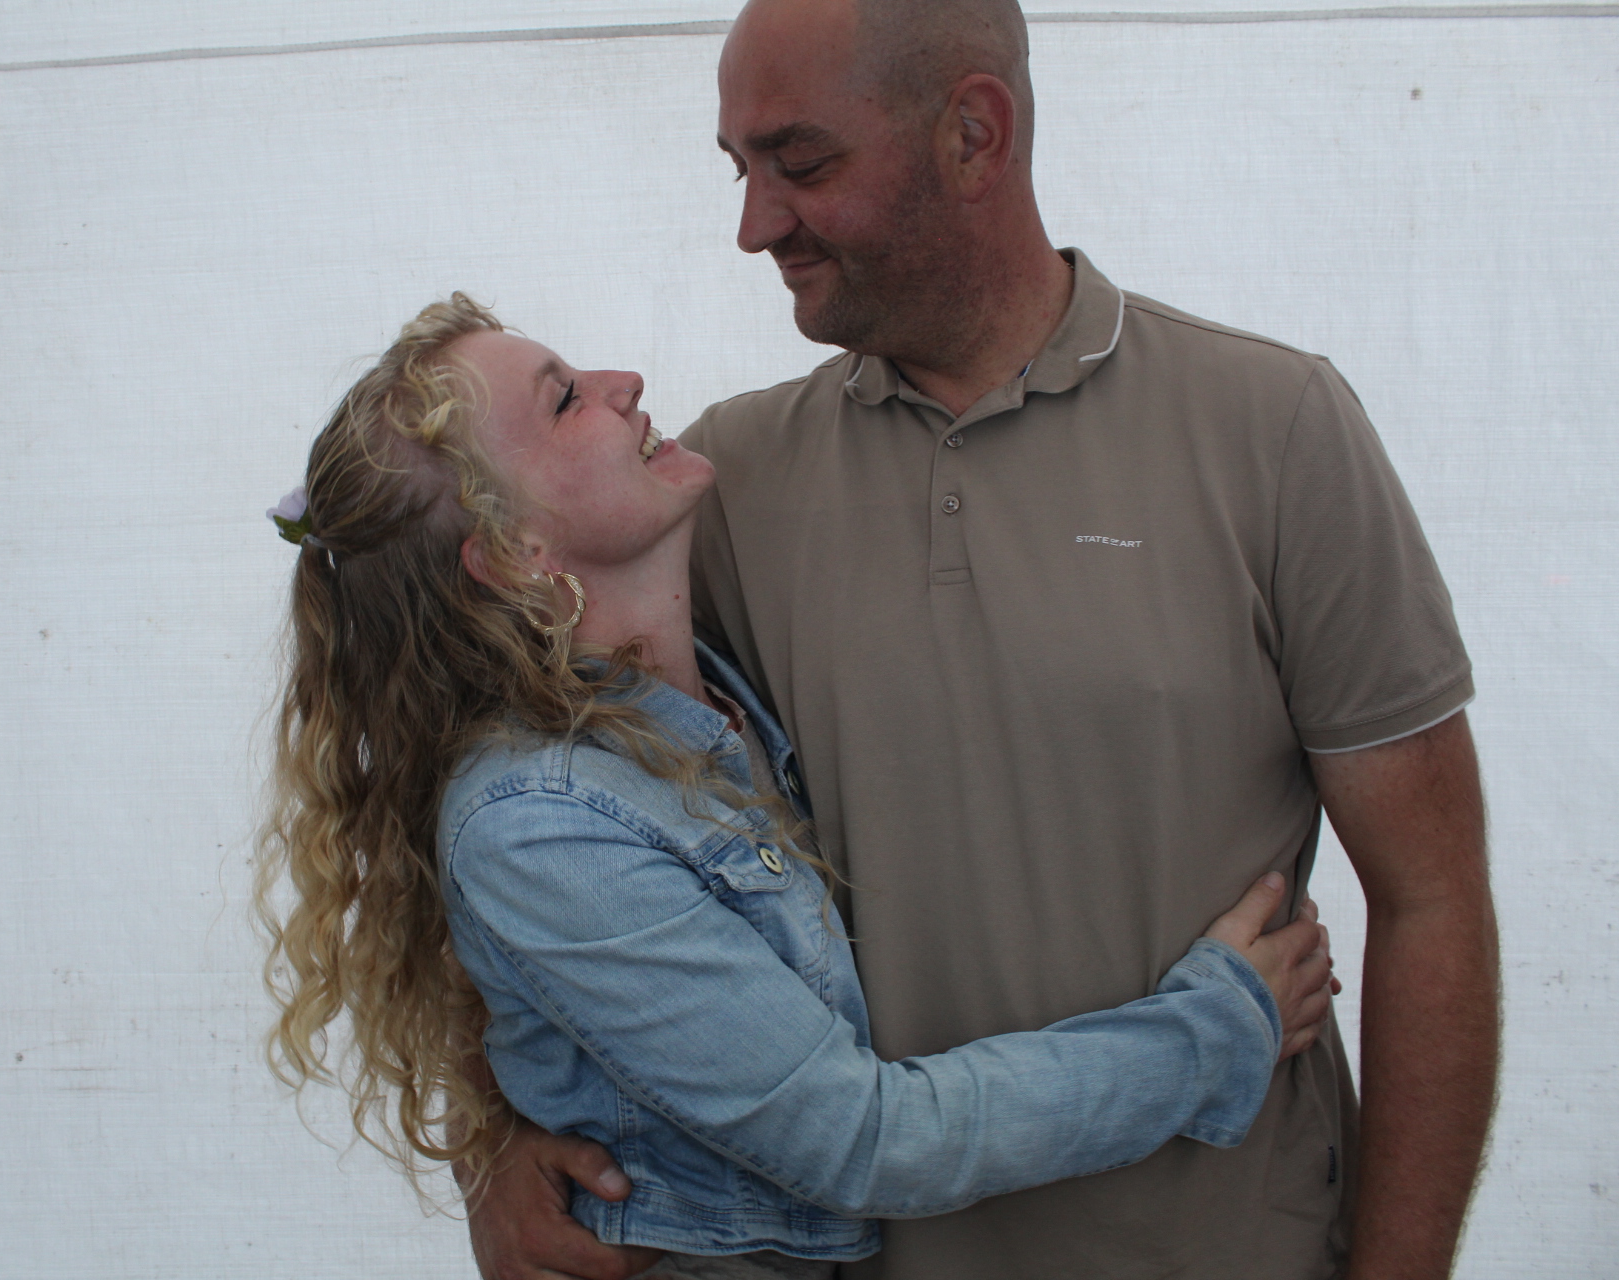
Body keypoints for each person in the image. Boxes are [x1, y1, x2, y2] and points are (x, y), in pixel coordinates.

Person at [468, 1, 1500, 1278]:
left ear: (974, 133)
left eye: (801, 162)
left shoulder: (1274, 428)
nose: (755, 224)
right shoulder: (724, 483)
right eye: (740, 171)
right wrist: (491, 1140)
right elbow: (499, 826)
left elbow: (1431, 895)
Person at [257, 295, 1341, 1280]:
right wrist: (1213, 1032)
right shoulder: (537, 824)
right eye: (565, 399)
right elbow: (862, 1141)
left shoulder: (714, 700)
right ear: (514, 551)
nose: (624, 381)